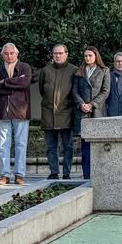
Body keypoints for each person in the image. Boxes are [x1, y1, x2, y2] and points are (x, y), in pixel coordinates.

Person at [0, 42, 31, 186]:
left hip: (21, 111)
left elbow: (24, 83)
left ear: (16, 54)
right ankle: (4, 175)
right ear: (2, 55)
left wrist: (5, 82)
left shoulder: (25, 67)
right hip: (3, 112)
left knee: (21, 144)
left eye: (12, 53)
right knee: (3, 145)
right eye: (6, 53)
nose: (9, 56)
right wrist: (14, 85)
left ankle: (19, 175)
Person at [40, 44, 77, 179]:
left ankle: (67, 173)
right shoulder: (46, 70)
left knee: (68, 146)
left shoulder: (74, 70)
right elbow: (42, 90)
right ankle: (54, 172)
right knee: (51, 146)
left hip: (67, 112)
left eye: (61, 53)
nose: (58, 56)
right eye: (55, 53)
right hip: (49, 113)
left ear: (66, 54)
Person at [73, 47, 110, 180]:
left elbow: (105, 91)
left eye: (90, 55)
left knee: (99, 145)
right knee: (85, 146)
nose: (87, 58)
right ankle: (86, 175)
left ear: (96, 56)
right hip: (83, 113)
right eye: (85, 56)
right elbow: (74, 90)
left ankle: (100, 175)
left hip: (97, 112)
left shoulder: (104, 71)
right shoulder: (79, 71)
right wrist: (81, 103)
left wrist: (92, 104)